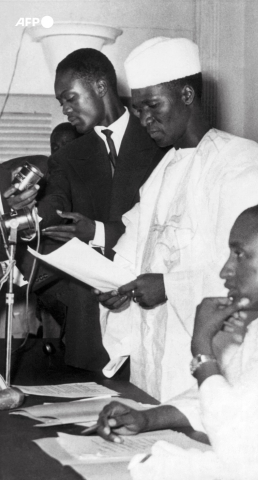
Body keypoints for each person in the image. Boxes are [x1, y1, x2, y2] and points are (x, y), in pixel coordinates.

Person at [95, 37, 258, 401]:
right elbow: (131, 250)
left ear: (187, 95)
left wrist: (172, 286)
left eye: (153, 105)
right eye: (137, 110)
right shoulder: (162, 172)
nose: (144, 119)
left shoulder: (246, 166)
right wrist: (116, 286)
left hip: (219, 358)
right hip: (156, 358)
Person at [96, 200, 258, 480]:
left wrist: (202, 347)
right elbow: (234, 398)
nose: (225, 271)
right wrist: (146, 419)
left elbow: (238, 449)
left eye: (239, 254)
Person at [5, 48, 167, 370]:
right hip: (90, 316)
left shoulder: (160, 141)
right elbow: (55, 205)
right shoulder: (67, 156)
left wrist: (97, 231)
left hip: (153, 304)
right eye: (61, 103)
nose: (65, 110)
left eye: (69, 98)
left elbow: (164, 223)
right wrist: (28, 216)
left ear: (101, 87)